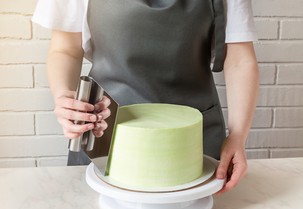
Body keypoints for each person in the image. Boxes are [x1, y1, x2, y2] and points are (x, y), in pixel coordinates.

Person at [32, 0, 259, 194]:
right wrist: (65, 96)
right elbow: (66, 49)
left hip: (192, 146)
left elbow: (240, 59)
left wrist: (238, 135)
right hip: (104, 135)